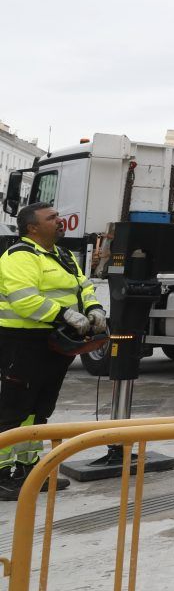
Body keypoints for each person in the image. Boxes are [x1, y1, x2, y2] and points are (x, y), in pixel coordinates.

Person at [0, 203, 108, 500]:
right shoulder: (19, 256)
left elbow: (83, 286)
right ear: (32, 228)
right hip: (21, 343)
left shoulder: (63, 256)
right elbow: (25, 300)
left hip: (52, 343)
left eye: (58, 216)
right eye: (52, 218)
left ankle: (27, 470)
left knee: (38, 410)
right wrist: (65, 315)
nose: (60, 221)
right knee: (13, 410)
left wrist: (93, 307)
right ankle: (2, 475)